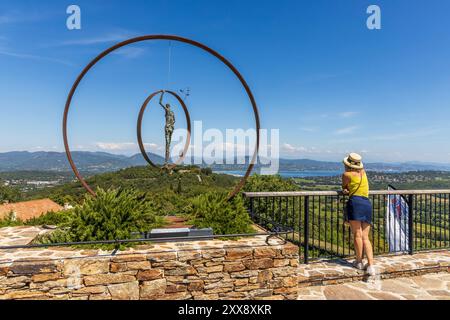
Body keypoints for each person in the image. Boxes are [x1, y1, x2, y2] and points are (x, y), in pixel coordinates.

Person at [342, 153, 376, 276]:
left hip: (355, 203)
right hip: (367, 203)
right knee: (365, 237)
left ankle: (359, 261)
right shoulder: (364, 173)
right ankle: (371, 265)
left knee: (357, 234)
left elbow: (345, 188)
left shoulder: (346, 174)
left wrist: (346, 190)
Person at [159, 91, 175, 166]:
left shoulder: (169, 111)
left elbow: (160, 102)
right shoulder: (171, 112)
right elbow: (174, 120)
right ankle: (166, 162)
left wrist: (162, 93)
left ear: (167, 106)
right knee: (168, 144)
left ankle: (166, 162)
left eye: (166, 106)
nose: (166, 107)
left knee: (168, 144)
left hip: (169, 127)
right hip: (171, 127)